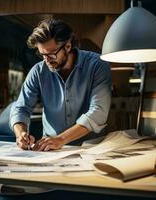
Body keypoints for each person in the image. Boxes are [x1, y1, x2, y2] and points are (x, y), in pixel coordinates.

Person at [10, 18, 111, 151]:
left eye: (51, 55)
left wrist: (61, 139)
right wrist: (20, 133)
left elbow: (98, 112)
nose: (46, 61)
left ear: (68, 46)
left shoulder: (98, 65)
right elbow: (21, 108)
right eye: (42, 55)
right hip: (50, 149)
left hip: (91, 148)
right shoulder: (38, 71)